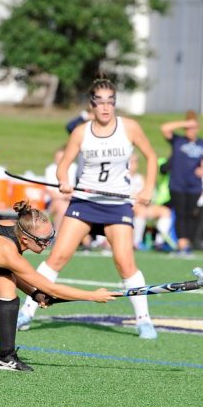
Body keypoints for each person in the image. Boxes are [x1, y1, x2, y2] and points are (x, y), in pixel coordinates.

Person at [17, 76, 160, 339]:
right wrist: (63, 180)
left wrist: (148, 188)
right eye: (99, 102)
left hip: (117, 205)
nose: (105, 107)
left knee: (125, 263)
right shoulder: (81, 132)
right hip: (85, 203)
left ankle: (143, 320)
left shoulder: (129, 128)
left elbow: (151, 157)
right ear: (91, 104)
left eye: (110, 102)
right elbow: (64, 164)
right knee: (57, 258)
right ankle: (26, 311)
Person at [0, 201, 117, 371]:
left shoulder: (17, 228)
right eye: (43, 241)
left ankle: (4, 357)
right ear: (26, 239)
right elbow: (51, 288)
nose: (48, 244)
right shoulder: (7, 251)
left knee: (8, 289)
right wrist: (93, 295)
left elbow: (22, 277)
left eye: (51, 236)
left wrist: (35, 294)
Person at [159, 110, 203, 253]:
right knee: (180, 214)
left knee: (191, 214)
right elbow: (164, 128)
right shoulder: (178, 140)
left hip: (195, 186)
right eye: (188, 128)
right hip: (177, 184)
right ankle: (181, 244)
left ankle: (188, 241)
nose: (190, 130)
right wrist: (185, 123)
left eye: (193, 128)